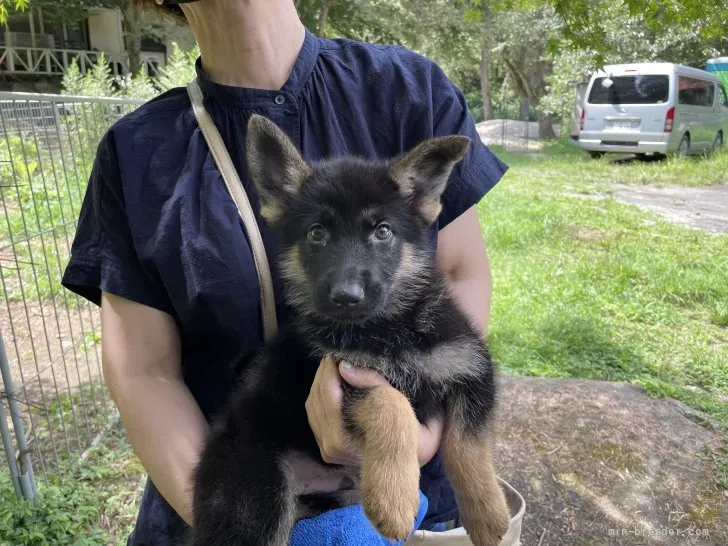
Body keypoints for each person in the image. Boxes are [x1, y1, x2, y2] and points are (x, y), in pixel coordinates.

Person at [61, 1, 508, 544]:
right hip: (238, 479)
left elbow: (460, 276)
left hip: (409, 504)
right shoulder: (135, 152)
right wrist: (237, 526)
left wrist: (425, 440)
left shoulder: (410, 88)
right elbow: (142, 373)